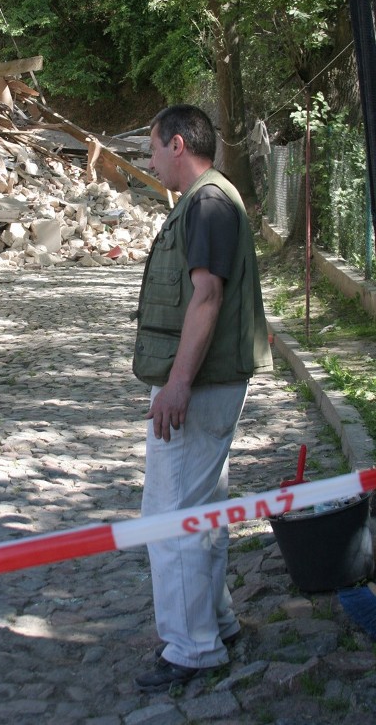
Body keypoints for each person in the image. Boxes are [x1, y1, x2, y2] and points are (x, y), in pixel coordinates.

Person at [132, 104, 272, 691]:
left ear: (179, 143)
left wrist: (179, 383)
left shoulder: (208, 202)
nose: (149, 159)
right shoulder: (207, 200)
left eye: (154, 148)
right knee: (204, 508)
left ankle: (192, 649)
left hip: (203, 384)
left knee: (170, 514)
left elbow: (207, 296)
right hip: (210, 382)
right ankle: (216, 621)